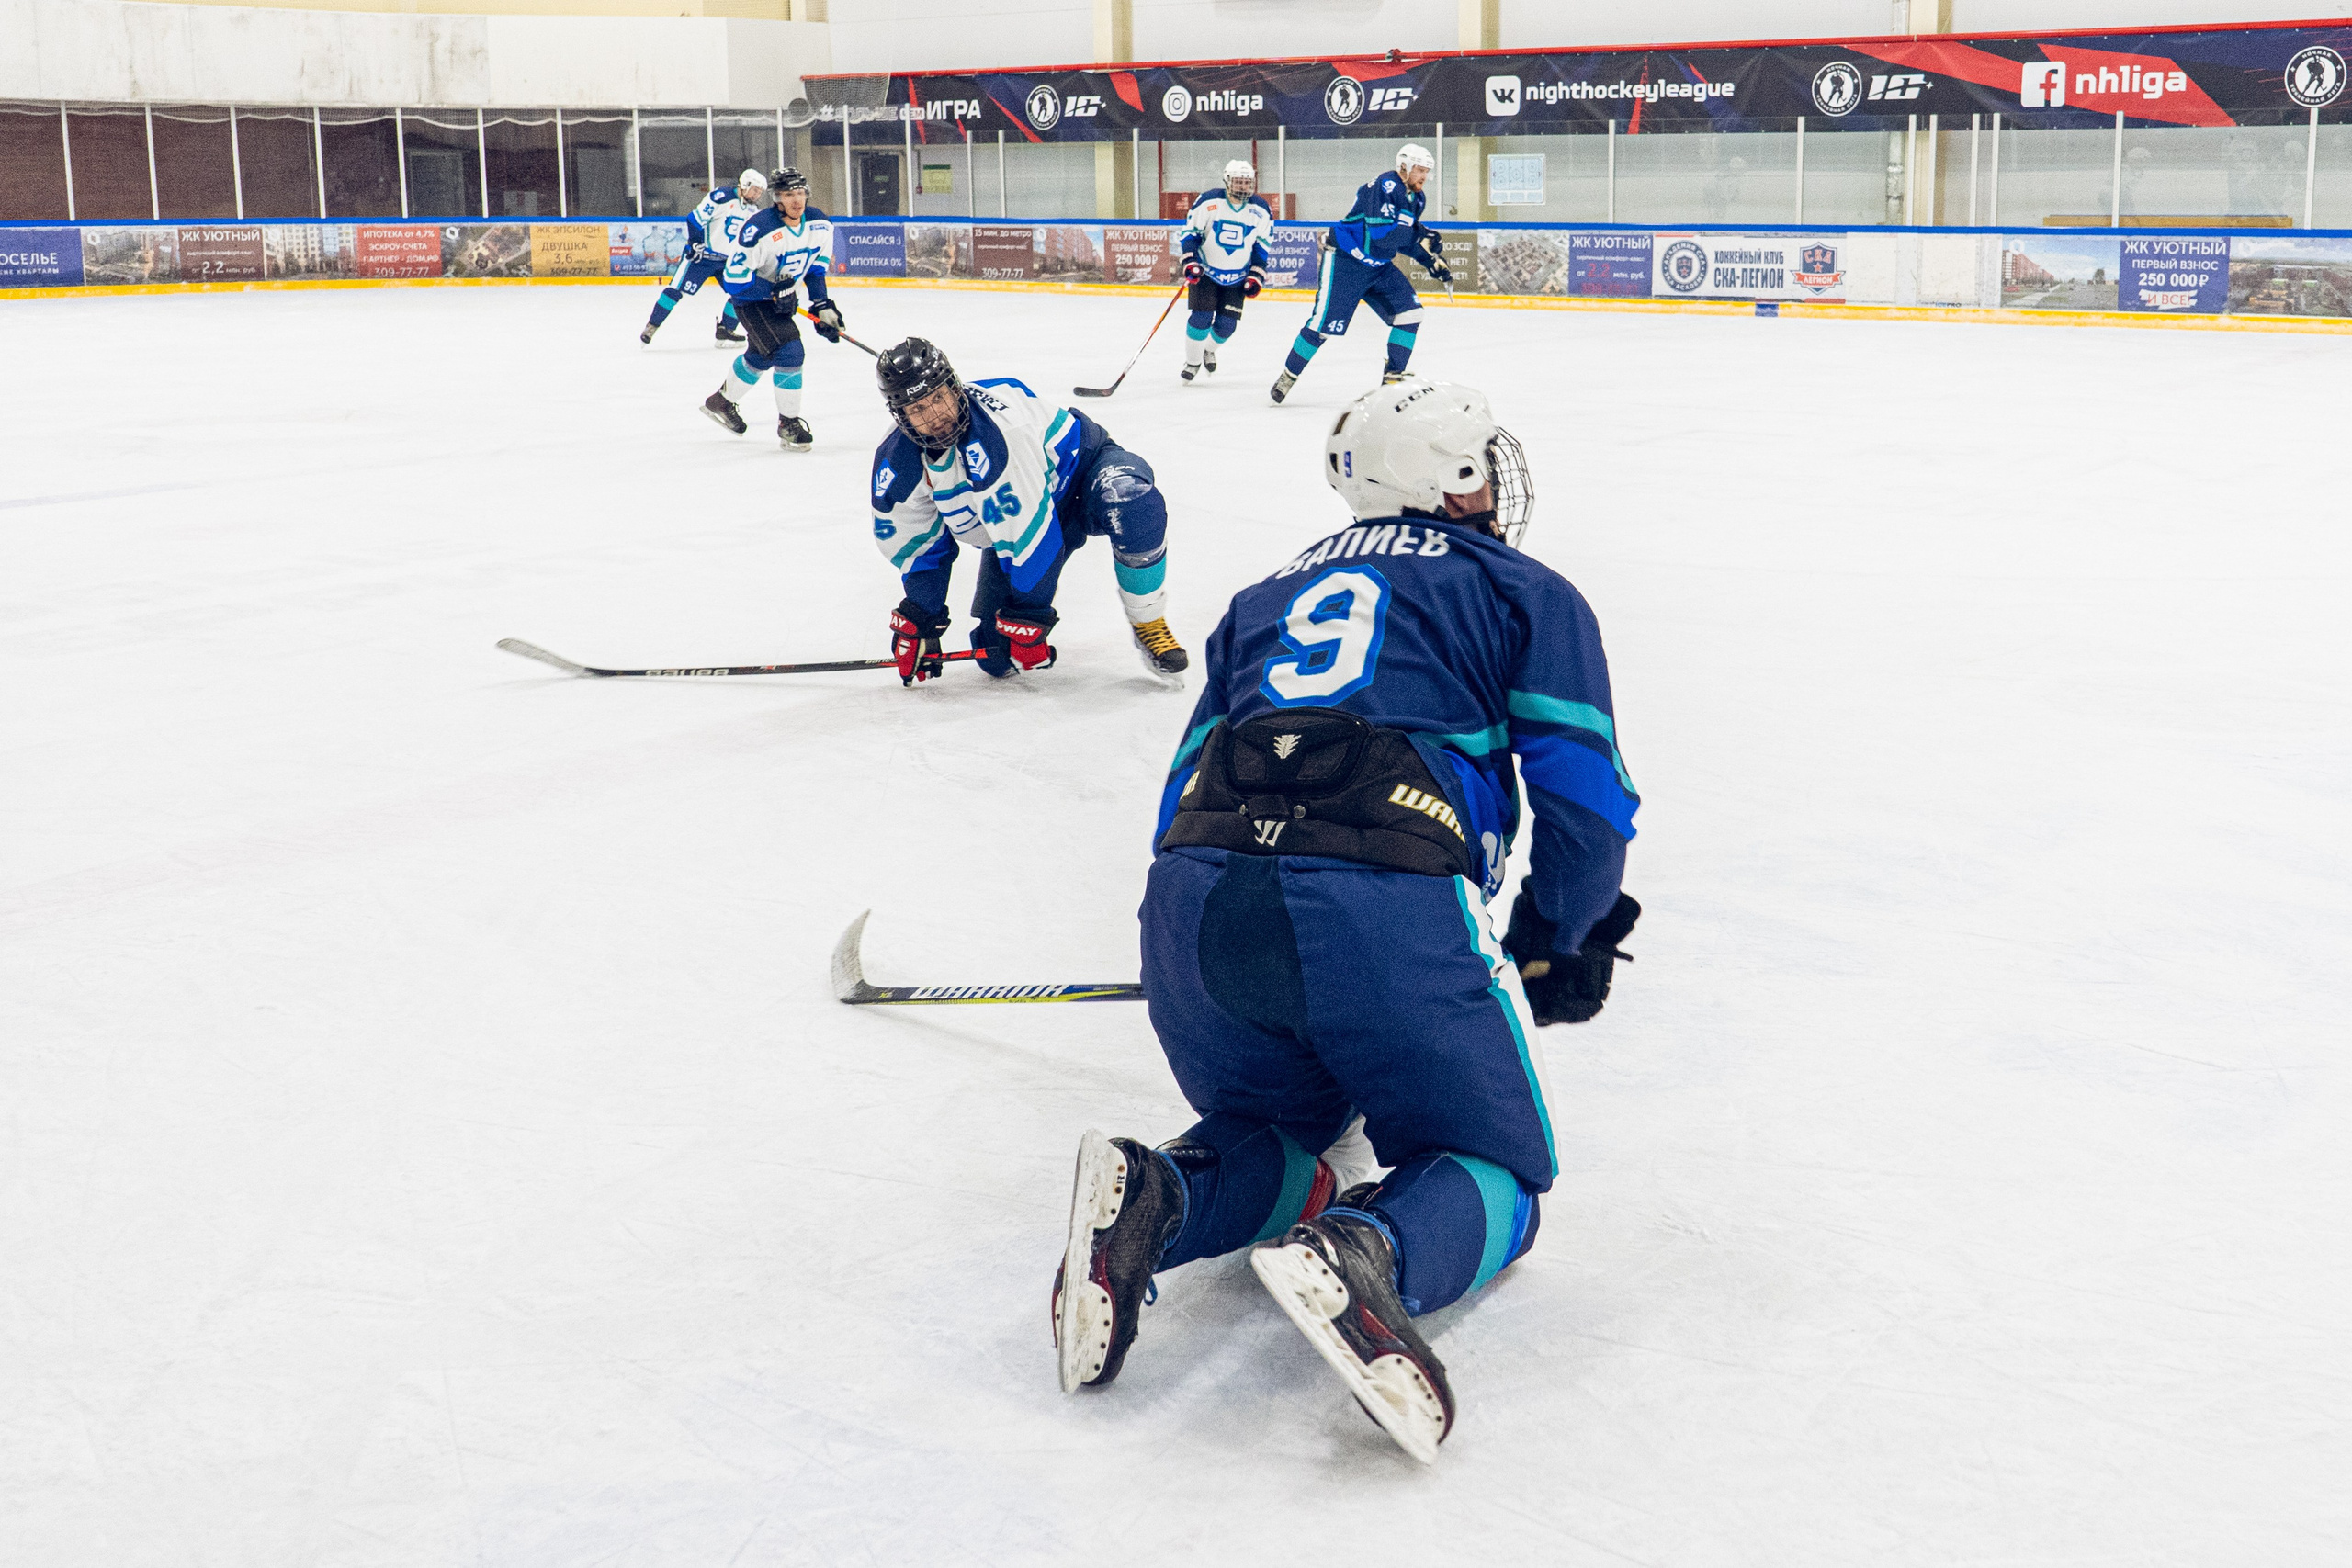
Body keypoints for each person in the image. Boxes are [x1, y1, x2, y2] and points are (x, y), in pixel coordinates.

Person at [1049, 378, 1641, 1463]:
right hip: (1385, 901)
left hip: (1195, 904)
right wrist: (1564, 930)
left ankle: (1158, 1194)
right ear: (1450, 479)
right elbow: (1588, 799)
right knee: (1495, 1172)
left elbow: (1181, 793)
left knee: (1284, 1137)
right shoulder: (1520, 589)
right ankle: (1370, 1249)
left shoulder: (1259, 597)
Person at [869, 337, 1187, 682]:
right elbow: (920, 549)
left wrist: (1030, 617)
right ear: (900, 415)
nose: (936, 417)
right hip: (1018, 519)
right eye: (918, 410)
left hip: (1084, 473)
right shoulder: (896, 467)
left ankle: (1148, 618)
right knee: (996, 657)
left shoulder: (999, 437)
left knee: (1131, 501)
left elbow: (1032, 542)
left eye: (938, 398)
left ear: (955, 387)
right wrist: (920, 618)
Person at [1270, 144, 1452, 405]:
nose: (1424, 176)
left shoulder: (1416, 198)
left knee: (1411, 313)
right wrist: (1421, 234)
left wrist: (1430, 262)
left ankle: (1392, 377)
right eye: (1420, 170)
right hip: (1346, 263)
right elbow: (1382, 236)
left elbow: (1401, 240)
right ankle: (1289, 375)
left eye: (1427, 171)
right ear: (1405, 167)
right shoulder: (1383, 187)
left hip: (1377, 267)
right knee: (1322, 328)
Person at [700, 167, 842, 453]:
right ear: (778, 198)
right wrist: (773, 292)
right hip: (751, 301)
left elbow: (815, 269)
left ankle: (720, 402)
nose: (796, 200)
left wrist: (822, 304)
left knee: (761, 355)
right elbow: (735, 281)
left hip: (781, 301)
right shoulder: (759, 229)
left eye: (800, 193)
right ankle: (789, 425)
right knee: (790, 351)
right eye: (789, 194)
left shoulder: (820, 224)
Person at [1178, 161, 1275, 384]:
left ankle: (1208, 351)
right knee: (1200, 318)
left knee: (1226, 326)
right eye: (1238, 182)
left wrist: (1256, 274)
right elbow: (1190, 233)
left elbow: (1262, 244)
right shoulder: (1209, 201)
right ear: (1227, 181)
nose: (1243, 187)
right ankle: (1192, 363)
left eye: (1247, 183)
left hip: (1237, 277)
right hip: (1206, 272)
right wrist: (1191, 261)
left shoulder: (1260, 209)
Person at [640, 168, 762, 345]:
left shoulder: (752, 210)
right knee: (675, 291)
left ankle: (726, 329)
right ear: (745, 185)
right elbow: (694, 219)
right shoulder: (721, 197)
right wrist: (696, 243)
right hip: (701, 257)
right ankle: (651, 327)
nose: (757, 194)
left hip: (726, 260)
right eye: (755, 190)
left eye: (760, 192)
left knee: (742, 292)